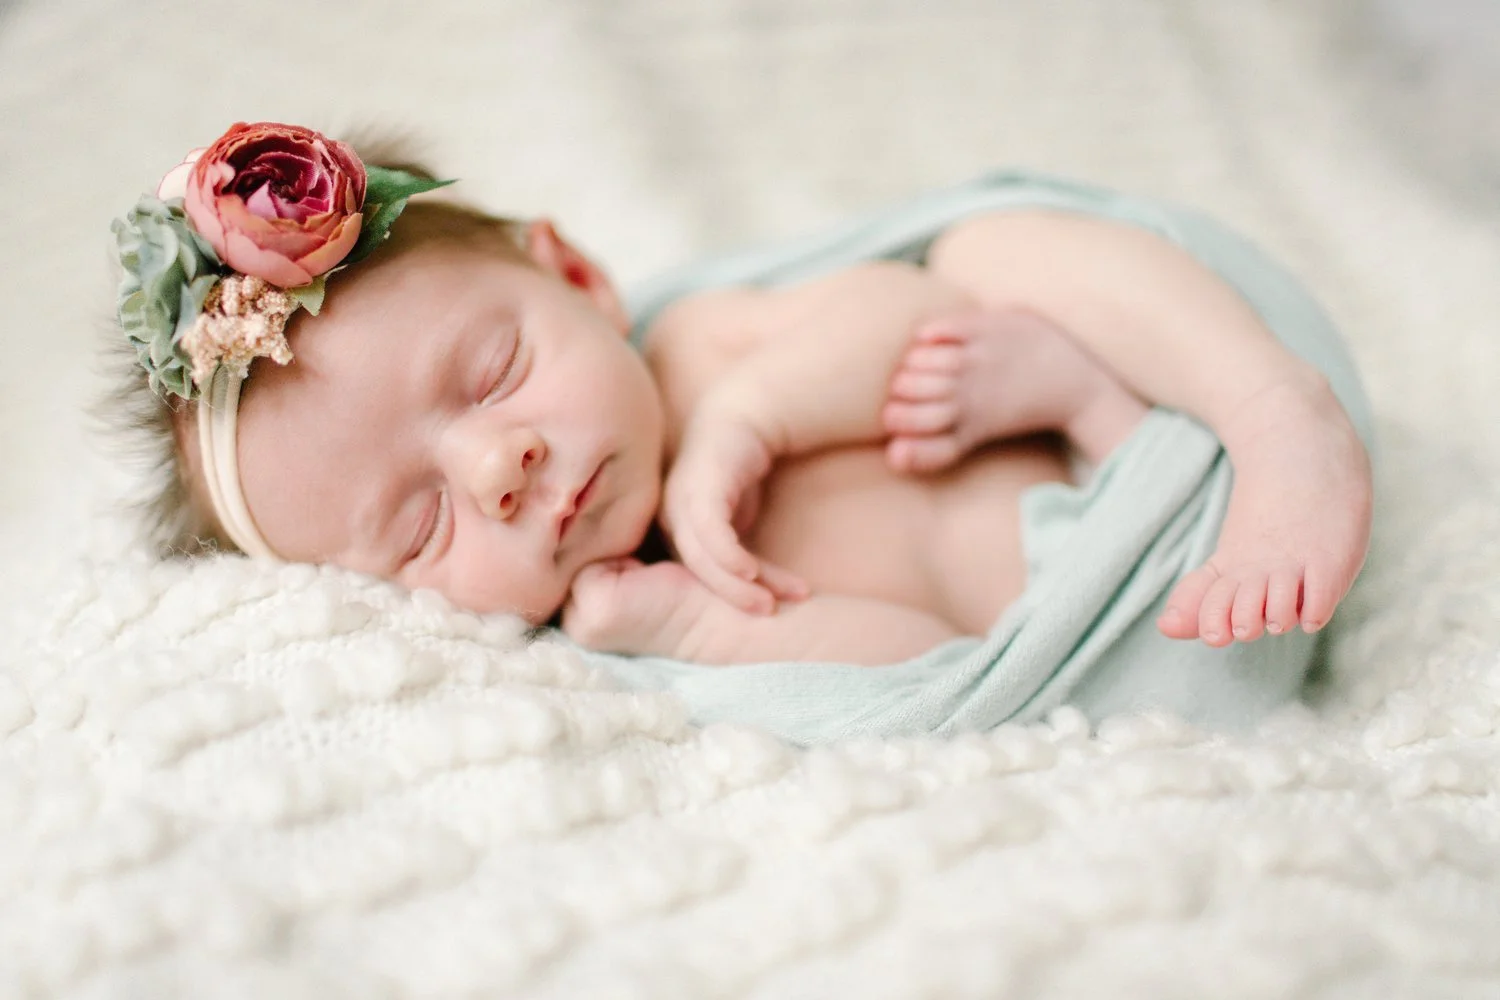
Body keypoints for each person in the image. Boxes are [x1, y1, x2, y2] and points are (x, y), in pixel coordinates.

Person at [109, 122, 1373, 669]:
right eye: (421, 528)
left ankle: (1276, 415)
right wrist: (707, 633)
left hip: (1187, 450)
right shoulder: (626, 630)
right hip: (1143, 618)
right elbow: (928, 674)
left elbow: (908, 309)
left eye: (493, 373)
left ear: (579, 277)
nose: (495, 468)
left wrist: (750, 415)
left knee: (997, 251)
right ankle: (1092, 400)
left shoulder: (705, 349)